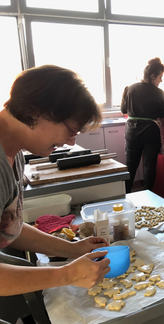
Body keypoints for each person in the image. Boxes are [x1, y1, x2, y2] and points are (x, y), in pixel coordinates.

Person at [0, 65, 110, 322]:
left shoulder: (14, 154)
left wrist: (72, 249)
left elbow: (8, 227)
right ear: (35, 112)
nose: (71, 141)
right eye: (71, 130)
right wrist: (67, 274)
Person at [121, 58, 164, 193]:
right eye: (160, 77)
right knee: (149, 165)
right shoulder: (159, 93)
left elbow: (124, 110)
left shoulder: (129, 89)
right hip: (150, 131)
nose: (161, 80)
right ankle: (149, 194)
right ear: (153, 76)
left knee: (130, 164)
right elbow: (163, 113)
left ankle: (126, 194)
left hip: (131, 130)